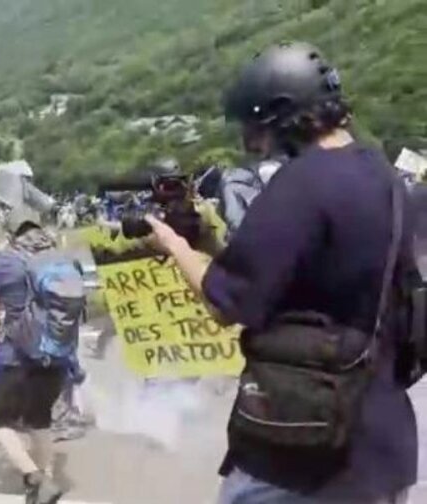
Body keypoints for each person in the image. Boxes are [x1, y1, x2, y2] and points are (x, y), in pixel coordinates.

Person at [145, 42, 417, 503]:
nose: (255, 142)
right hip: (383, 440)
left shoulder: (303, 181)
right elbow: (309, 270)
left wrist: (170, 244)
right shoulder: (383, 176)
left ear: (284, 117)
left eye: (258, 129)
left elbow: (225, 303)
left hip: (311, 445)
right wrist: (211, 246)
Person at [0, 215, 70, 504]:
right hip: (58, 353)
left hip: (17, 355)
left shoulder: (6, 261)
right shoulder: (60, 258)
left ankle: (34, 476)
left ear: (12, 232)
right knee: (39, 420)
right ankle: (45, 483)